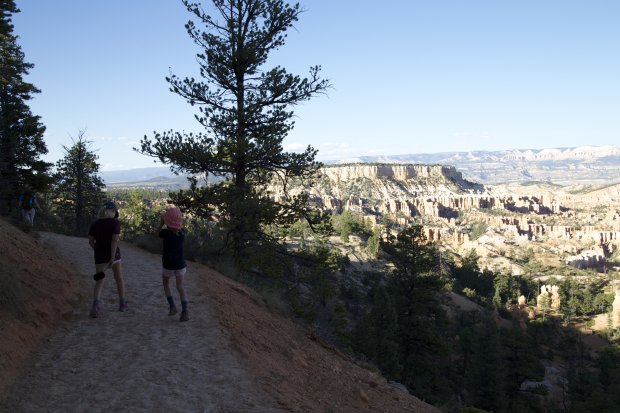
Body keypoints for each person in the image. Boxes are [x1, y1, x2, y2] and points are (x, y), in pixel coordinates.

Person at [88, 201, 127, 318]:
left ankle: (95, 305)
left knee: (99, 280)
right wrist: (112, 256)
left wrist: (98, 250)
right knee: (119, 279)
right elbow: (114, 240)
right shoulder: (115, 223)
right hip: (114, 256)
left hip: (99, 256)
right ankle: (122, 303)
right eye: (114, 211)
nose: (115, 213)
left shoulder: (94, 224)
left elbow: (90, 241)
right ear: (110, 211)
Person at [159, 207, 189, 322]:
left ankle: (172, 306)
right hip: (180, 264)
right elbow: (180, 228)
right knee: (180, 287)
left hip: (168, 264)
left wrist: (161, 223)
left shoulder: (165, 233)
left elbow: (156, 234)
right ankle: (185, 311)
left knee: (166, 283)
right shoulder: (182, 234)